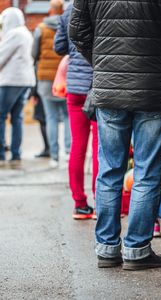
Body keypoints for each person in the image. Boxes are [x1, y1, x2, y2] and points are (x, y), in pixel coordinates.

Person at [69, 0, 161, 270]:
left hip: (110, 88)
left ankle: (107, 248)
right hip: (155, 87)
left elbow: (77, 32)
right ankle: (137, 249)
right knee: (147, 172)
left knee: (109, 171)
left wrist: (104, 63)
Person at [54, 4, 98, 219]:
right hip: (97, 86)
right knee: (101, 149)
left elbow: (59, 47)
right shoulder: (102, 7)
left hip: (75, 88)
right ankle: (102, 202)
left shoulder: (67, 12)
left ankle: (80, 204)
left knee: (78, 148)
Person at [32, 0, 71, 168]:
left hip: (45, 79)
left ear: (50, 10)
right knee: (68, 116)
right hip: (65, 77)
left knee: (51, 117)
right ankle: (69, 152)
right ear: (62, 10)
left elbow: (34, 54)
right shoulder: (68, 25)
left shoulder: (40, 29)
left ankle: (54, 156)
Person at [0, 8, 35, 166]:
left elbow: (2, 55)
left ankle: (1, 154)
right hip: (25, 81)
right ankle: (15, 154)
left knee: (1, 116)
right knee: (17, 118)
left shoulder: (15, 34)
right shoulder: (25, 32)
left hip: (11, 80)